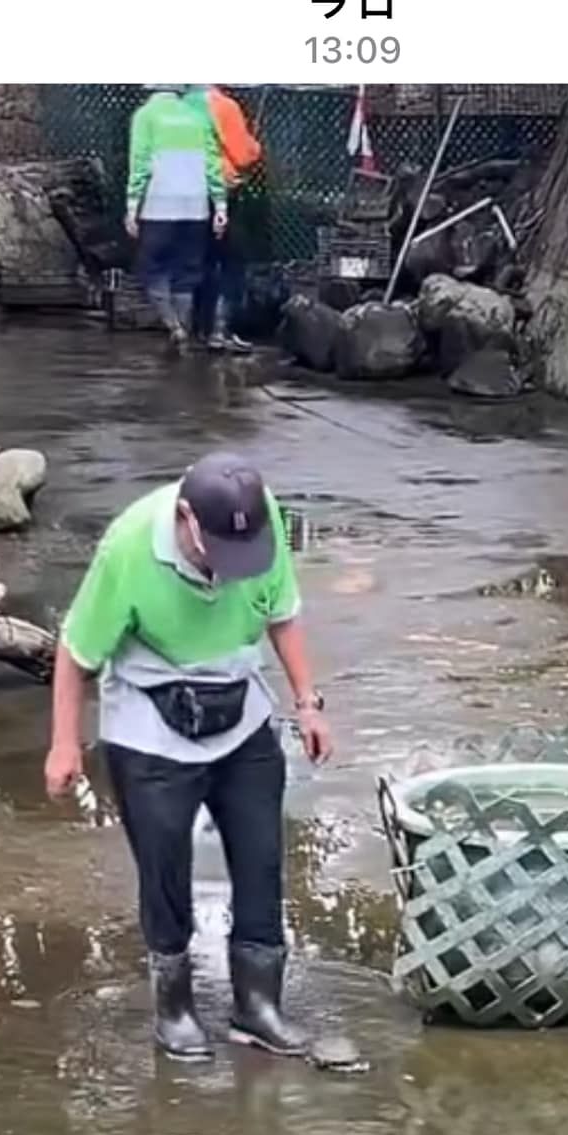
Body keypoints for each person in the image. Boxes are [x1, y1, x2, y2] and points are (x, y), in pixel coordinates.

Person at [44, 453, 333, 1062]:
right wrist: (65, 743)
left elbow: (283, 614)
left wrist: (308, 703)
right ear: (185, 519)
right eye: (220, 555)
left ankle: (257, 1006)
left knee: (261, 857)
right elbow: (75, 654)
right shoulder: (127, 549)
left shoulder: (260, 521)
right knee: (165, 866)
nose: (232, 571)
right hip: (151, 720)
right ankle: (174, 1008)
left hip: (240, 707)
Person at [125, 86, 227, 347]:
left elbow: (140, 164)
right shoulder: (197, 117)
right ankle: (185, 328)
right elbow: (213, 163)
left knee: (153, 269)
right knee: (187, 272)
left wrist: (132, 207)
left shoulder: (146, 116)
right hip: (196, 208)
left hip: (159, 207)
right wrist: (220, 206)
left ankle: (173, 326)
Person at [194, 85, 263, 353]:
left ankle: (198, 329)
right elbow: (243, 154)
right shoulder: (225, 106)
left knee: (202, 259)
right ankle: (221, 331)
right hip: (219, 191)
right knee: (232, 260)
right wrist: (254, 146)